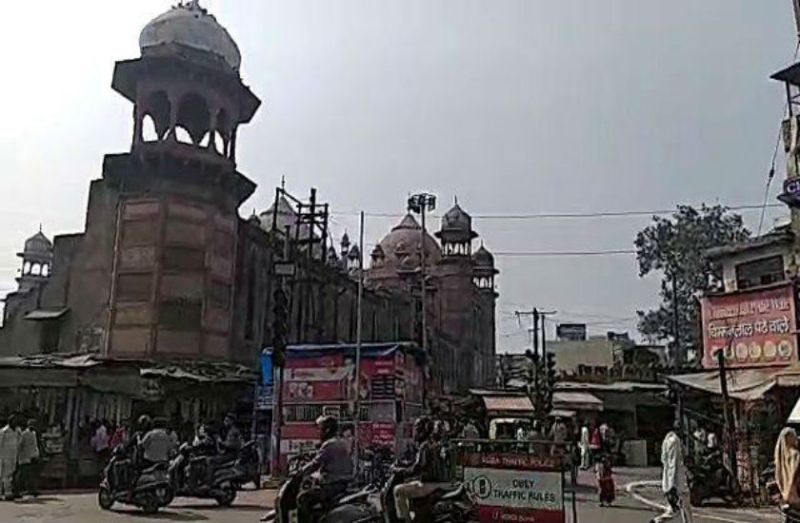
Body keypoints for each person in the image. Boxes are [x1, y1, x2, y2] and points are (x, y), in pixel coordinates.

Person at [393, 417, 452, 522]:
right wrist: (405, 466)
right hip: (440, 482)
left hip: (431, 484)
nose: (414, 432)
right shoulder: (433, 444)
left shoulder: (425, 446)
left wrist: (400, 471)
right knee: (410, 484)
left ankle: (406, 520)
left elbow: (418, 467)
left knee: (398, 490)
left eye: (416, 429)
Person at [296, 416, 353, 523]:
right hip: (342, 483)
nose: (319, 432)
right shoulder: (340, 442)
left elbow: (315, 464)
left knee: (303, 498)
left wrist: (300, 472)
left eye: (321, 429)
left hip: (332, 485)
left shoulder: (329, 444)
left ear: (327, 430)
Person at [650, 422, 694, 523]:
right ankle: (657, 521)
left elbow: (666, 461)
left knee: (678, 509)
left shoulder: (668, 440)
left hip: (676, 480)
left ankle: (657, 521)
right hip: (678, 482)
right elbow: (673, 464)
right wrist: (672, 485)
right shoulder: (674, 441)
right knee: (683, 508)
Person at [775, 427, 800, 507]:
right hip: (796, 495)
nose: (796, 438)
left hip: (786, 496)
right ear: (788, 438)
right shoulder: (795, 455)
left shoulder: (780, 458)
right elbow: (795, 475)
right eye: (794, 436)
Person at [15, 420, 40, 497]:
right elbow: (19, 446)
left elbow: (34, 446)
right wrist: (18, 455)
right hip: (25, 457)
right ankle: (16, 490)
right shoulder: (25, 434)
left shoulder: (34, 433)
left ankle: (31, 490)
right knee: (22, 474)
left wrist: (36, 454)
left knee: (31, 475)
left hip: (32, 457)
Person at [0, 416, 21, 501]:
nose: (16, 423)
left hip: (13, 457)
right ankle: (5, 493)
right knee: (3, 476)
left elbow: (18, 444)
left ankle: (8, 493)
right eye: (14, 421)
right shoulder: (4, 431)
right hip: (3, 457)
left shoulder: (17, 431)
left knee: (9, 476)